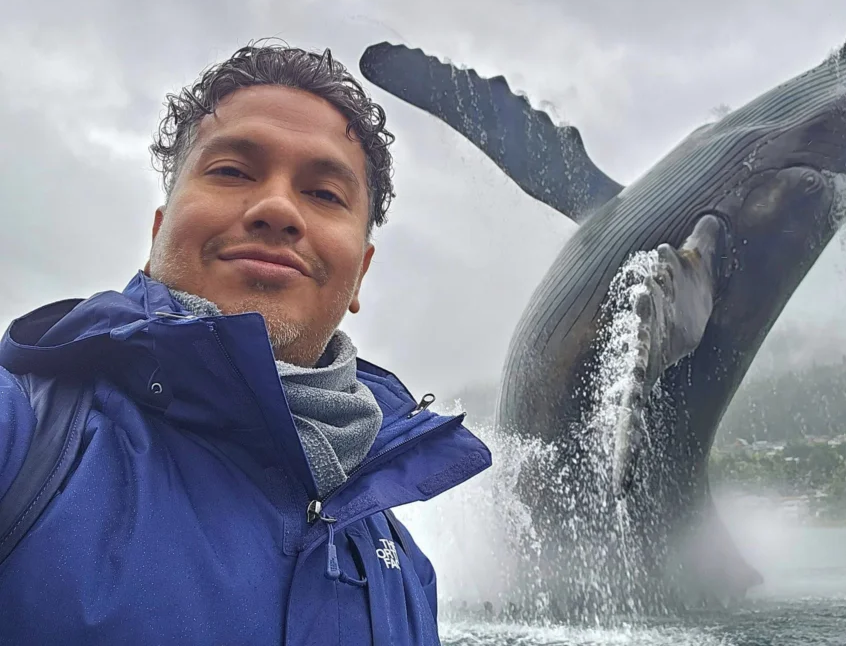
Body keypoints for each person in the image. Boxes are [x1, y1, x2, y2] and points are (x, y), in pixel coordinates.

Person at [0, 43, 492, 645]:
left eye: (325, 194)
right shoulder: (22, 436)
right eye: (232, 171)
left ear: (360, 272)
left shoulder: (402, 566)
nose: (278, 209)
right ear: (158, 233)